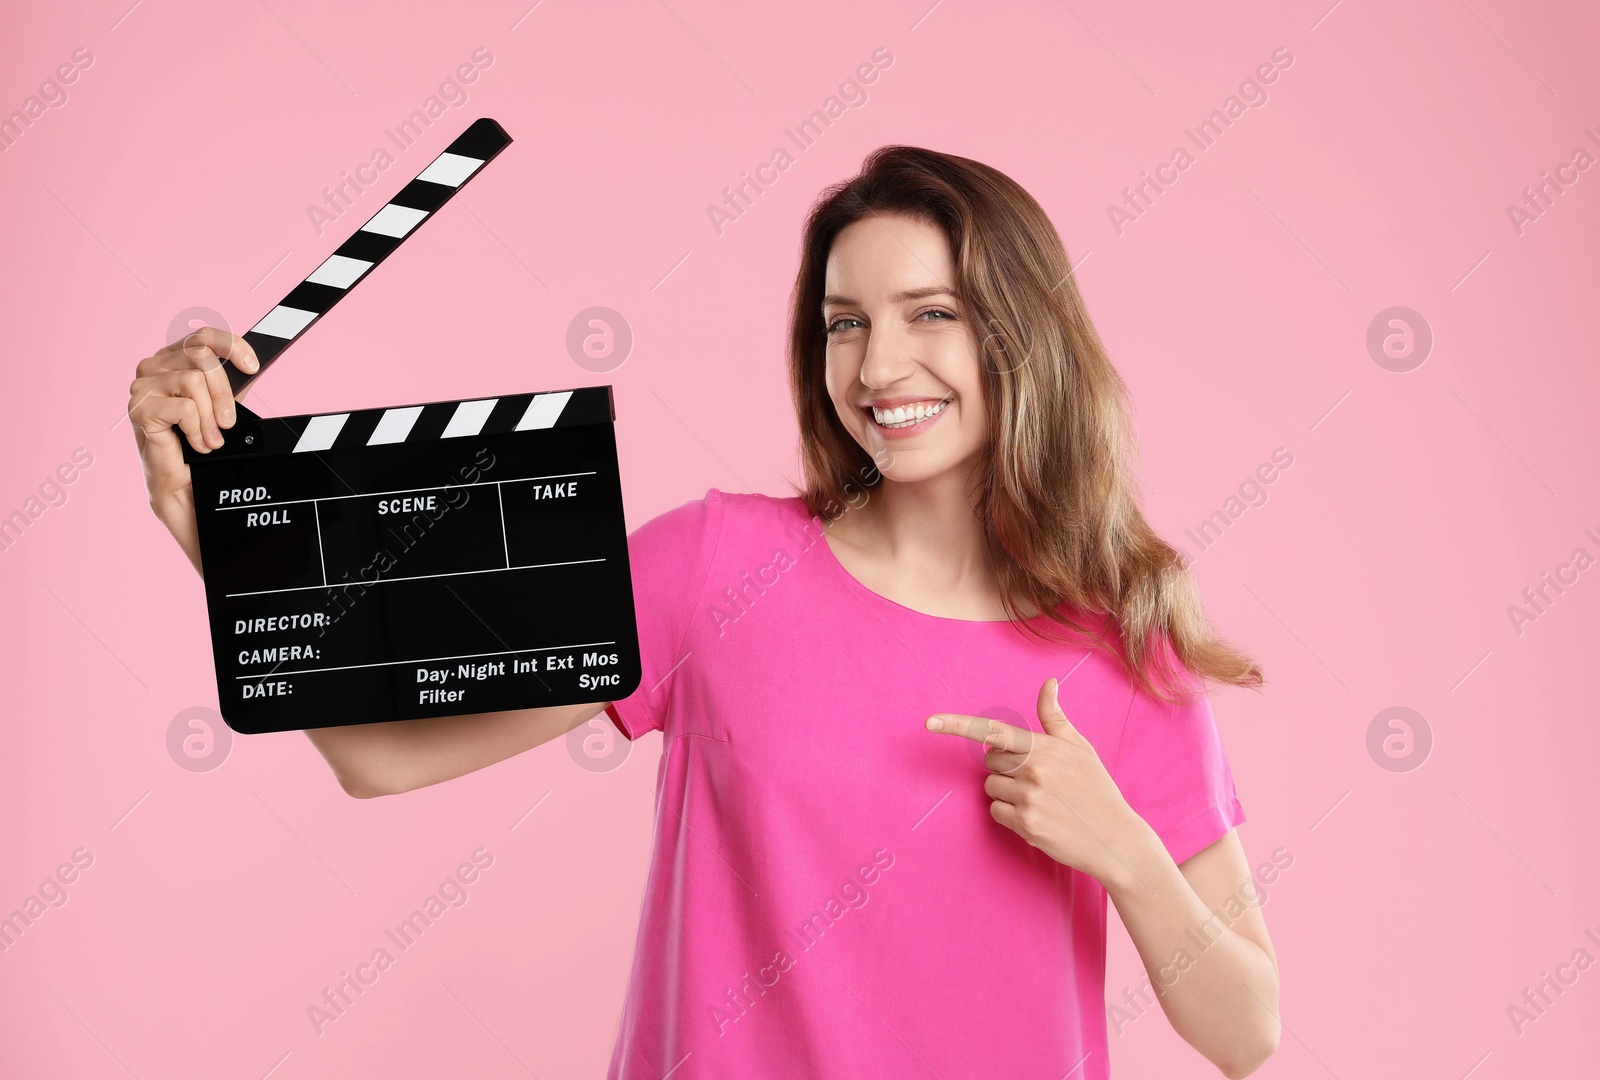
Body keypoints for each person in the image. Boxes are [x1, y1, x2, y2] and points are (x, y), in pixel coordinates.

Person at [128, 144, 1280, 1078]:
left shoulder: (1123, 656)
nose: (879, 364)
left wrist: (1125, 851)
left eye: (930, 314)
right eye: (843, 321)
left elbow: (1247, 1031)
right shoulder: (717, 565)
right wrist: (208, 517)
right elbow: (381, 756)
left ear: (1022, 336)